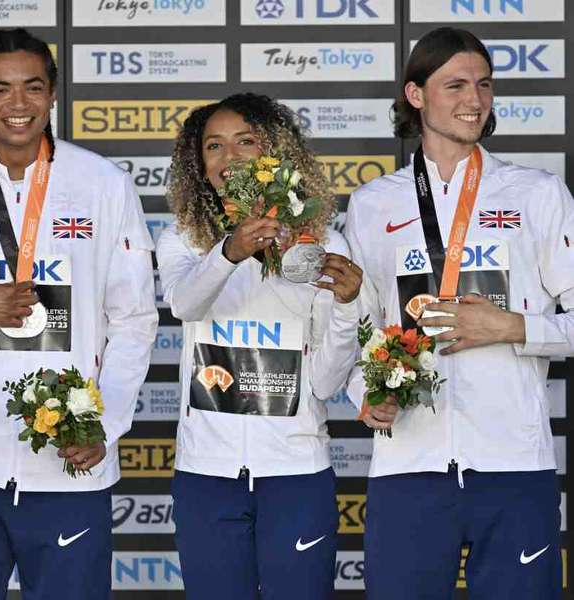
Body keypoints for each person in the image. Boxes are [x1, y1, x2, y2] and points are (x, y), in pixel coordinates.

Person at [0, 28, 157, 599]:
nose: (18, 105)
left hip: (71, 466)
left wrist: (105, 425)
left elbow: (135, 320)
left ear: (53, 94)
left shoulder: (104, 184)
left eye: (32, 88)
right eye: (0, 89)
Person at [345, 27, 571, 599]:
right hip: (407, 466)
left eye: (484, 84)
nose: (475, 100)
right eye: (456, 85)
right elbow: (356, 331)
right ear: (416, 95)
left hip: (514, 465)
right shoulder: (373, 205)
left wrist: (514, 327)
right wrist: (364, 395)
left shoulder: (537, 194)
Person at [156, 93, 363, 599]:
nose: (230, 158)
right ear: (200, 166)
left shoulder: (324, 245)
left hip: (296, 474)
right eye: (214, 146)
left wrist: (346, 307)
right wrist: (232, 250)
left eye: (245, 142)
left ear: (276, 152)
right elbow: (185, 304)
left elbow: (327, 381)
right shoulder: (181, 240)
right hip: (208, 475)